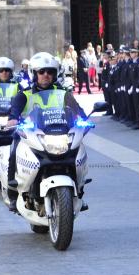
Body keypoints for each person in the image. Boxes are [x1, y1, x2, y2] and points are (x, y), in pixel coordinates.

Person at [5, 52, 84, 212]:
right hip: (33, 136)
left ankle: (79, 188)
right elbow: (14, 112)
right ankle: (13, 188)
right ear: (35, 74)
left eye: (50, 72)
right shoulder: (24, 94)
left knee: (79, 148)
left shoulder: (63, 93)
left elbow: (78, 111)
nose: (46, 75)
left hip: (60, 134)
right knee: (14, 144)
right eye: (42, 72)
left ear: (55, 74)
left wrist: (84, 120)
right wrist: (13, 120)